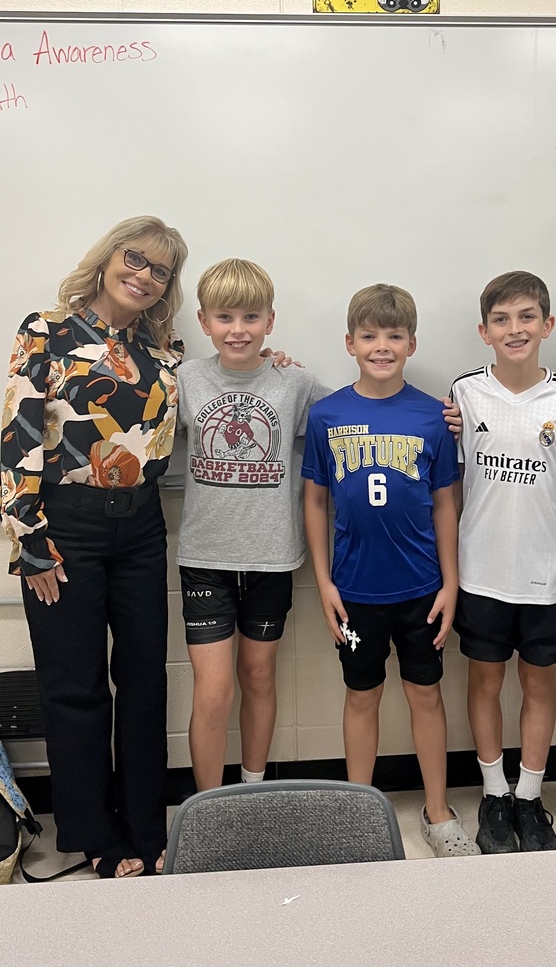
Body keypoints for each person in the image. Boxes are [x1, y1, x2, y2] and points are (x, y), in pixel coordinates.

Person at [1, 217, 188, 879]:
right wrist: (29, 538)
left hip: (141, 528)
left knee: (144, 681)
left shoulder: (164, 348)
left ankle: (147, 825)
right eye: (134, 259)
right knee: (74, 685)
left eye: (160, 270)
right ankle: (95, 836)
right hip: (64, 527)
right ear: (106, 260)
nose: (144, 275)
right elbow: (18, 434)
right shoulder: (45, 332)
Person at [302, 283, 480, 857]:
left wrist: (451, 583)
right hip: (355, 592)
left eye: (394, 335)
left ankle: (437, 811)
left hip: (422, 590)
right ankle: (359, 814)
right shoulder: (327, 414)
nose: (382, 346)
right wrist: (325, 584)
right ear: (350, 343)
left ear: (411, 342)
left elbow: (447, 502)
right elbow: (314, 501)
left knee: (426, 695)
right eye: (370, 335)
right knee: (362, 696)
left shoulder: (433, 416)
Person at [451, 271, 556, 854]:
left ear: (547, 325)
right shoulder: (465, 395)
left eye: (526, 317)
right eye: (501, 319)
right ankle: (494, 794)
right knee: (485, 680)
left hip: (546, 573)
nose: (514, 329)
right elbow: (454, 480)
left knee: (539, 683)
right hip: (480, 570)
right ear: (484, 331)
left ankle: (530, 798)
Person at [175, 258, 330, 793]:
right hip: (205, 557)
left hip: (271, 557)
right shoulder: (186, 380)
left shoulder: (296, 382)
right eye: (224, 318)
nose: (237, 329)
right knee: (213, 691)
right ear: (203, 321)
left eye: (250, 317)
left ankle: (251, 790)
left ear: (270, 320)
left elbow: (351, 422)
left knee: (259, 676)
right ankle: (209, 805)